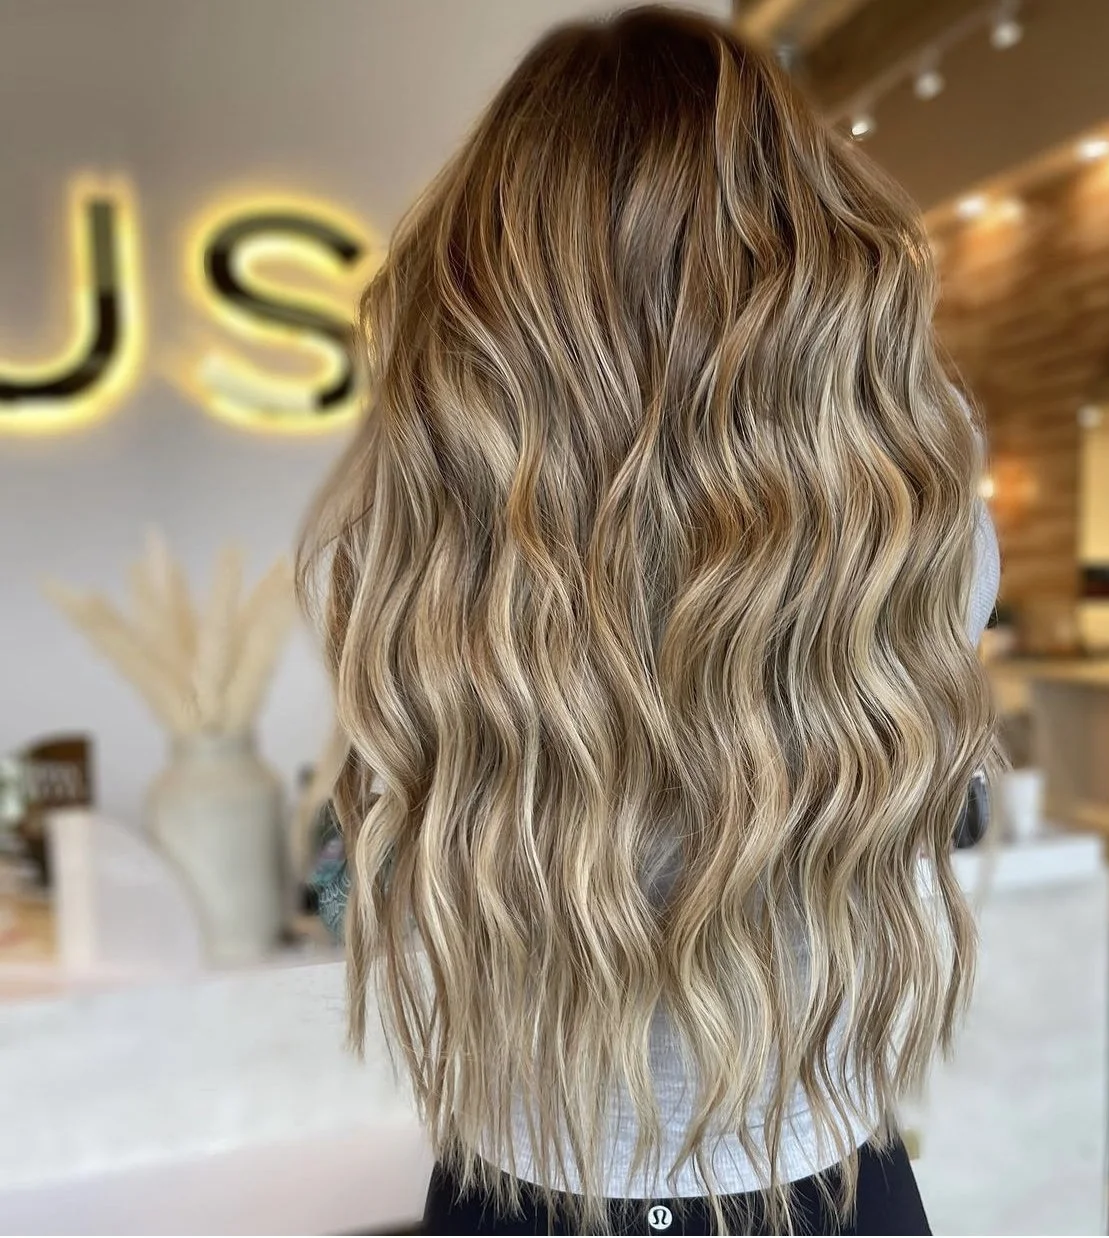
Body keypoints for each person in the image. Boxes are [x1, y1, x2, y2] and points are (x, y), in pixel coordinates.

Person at [297, 6, 1002, 1234]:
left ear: (484, 278)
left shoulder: (404, 542)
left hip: (522, 1181)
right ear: (810, 254)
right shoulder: (919, 522)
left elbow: (351, 888)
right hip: (820, 1181)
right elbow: (944, 808)